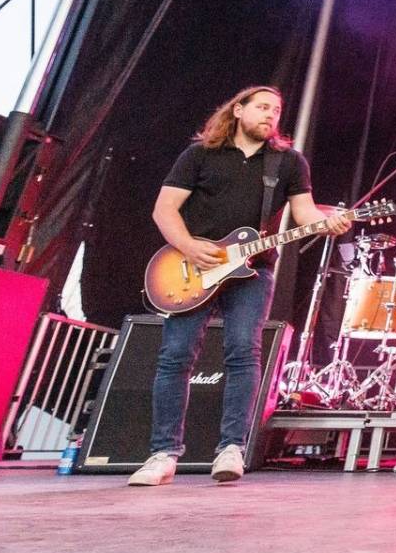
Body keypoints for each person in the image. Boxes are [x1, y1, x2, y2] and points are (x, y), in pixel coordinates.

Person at [129, 86, 351, 485]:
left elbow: (303, 214)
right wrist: (189, 247)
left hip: (253, 271)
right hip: (190, 267)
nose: (271, 115)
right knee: (175, 356)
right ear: (239, 109)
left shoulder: (287, 162)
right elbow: (164, 210)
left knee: (243, 353)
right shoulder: (199, 155)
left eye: (277, 110)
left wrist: (329, 220)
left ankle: (231, 448)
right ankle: (162, 454)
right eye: (263, 107)